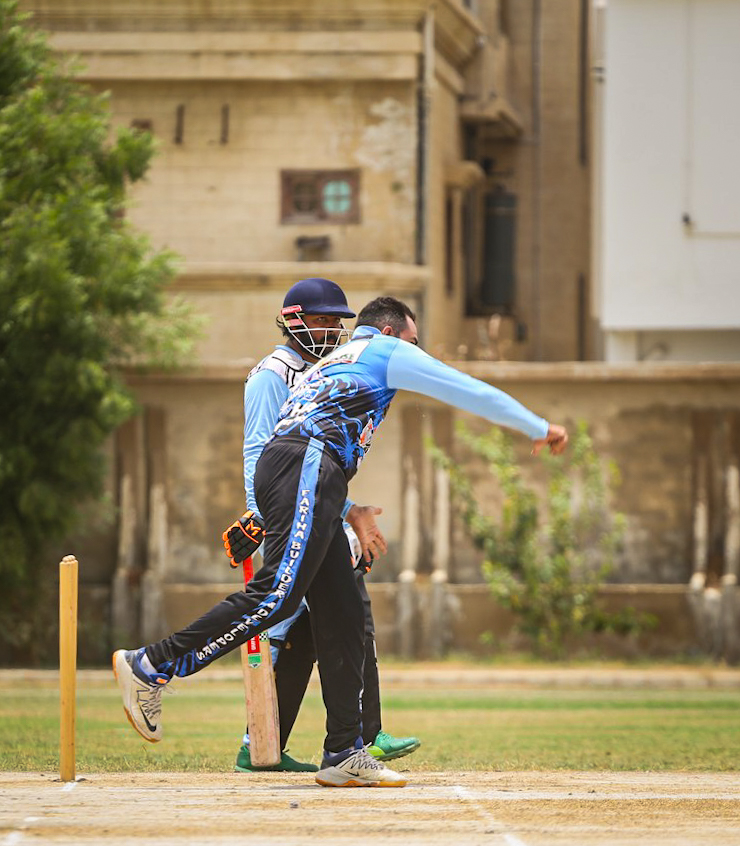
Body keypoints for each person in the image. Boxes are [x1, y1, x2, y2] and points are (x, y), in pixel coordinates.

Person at [113, 295, 568, 789]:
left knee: (343, 612)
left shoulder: (336, 359)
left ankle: (344, 752)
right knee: (277, 594)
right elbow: (466, 389)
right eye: (414, 341)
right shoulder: (385, 350)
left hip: (308, 470)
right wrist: (537, 426)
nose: (417, 351)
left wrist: (345, 506)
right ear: (391, 332)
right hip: (307, 463)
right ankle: (151, 664)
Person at [226, 277, 420, 773]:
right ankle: (263, 740)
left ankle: (337, 737)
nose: (332, 329)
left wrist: (347, 509)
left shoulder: (324, 371)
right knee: (285, 623)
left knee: (327, 623)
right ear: (293, 321)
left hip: (318, 507)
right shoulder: (270, 375)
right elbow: (260, 452)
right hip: (286, 514)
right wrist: (262, 517)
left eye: (337, 320)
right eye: (322, 320)